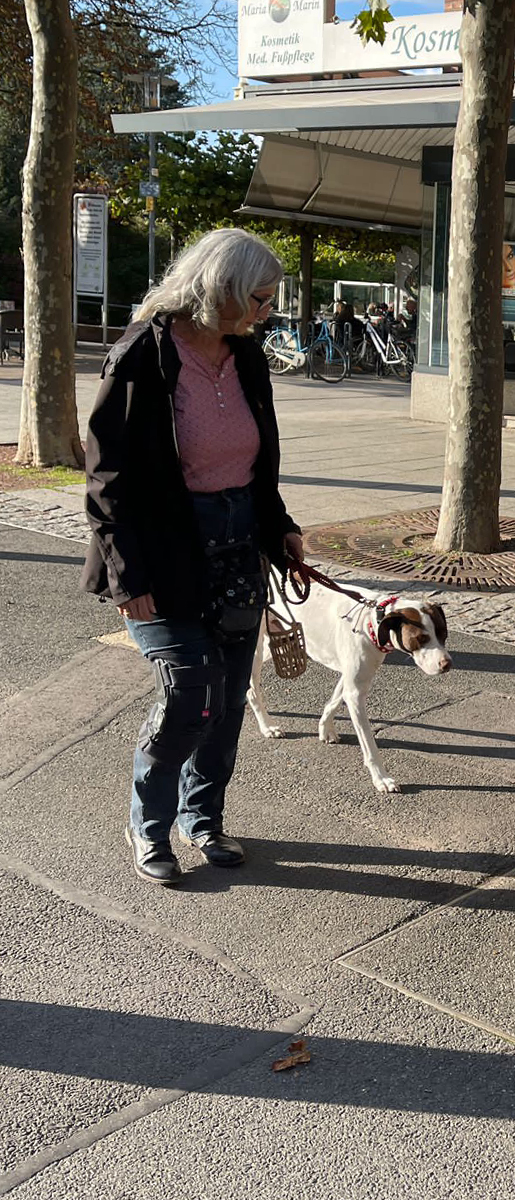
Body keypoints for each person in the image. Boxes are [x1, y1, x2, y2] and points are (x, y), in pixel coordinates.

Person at [82, 228, 304, 886]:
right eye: (260, 298)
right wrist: (125, 574)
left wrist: (280, 530)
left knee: (230, 697)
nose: (268, 312)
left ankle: (201, 818)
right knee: (190, 694)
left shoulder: (247, 357)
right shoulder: (140, 358)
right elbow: (106, 478)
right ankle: (148, 824)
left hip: (238, 545)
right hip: (164, 550)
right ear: (223, 289)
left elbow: (256, 466)